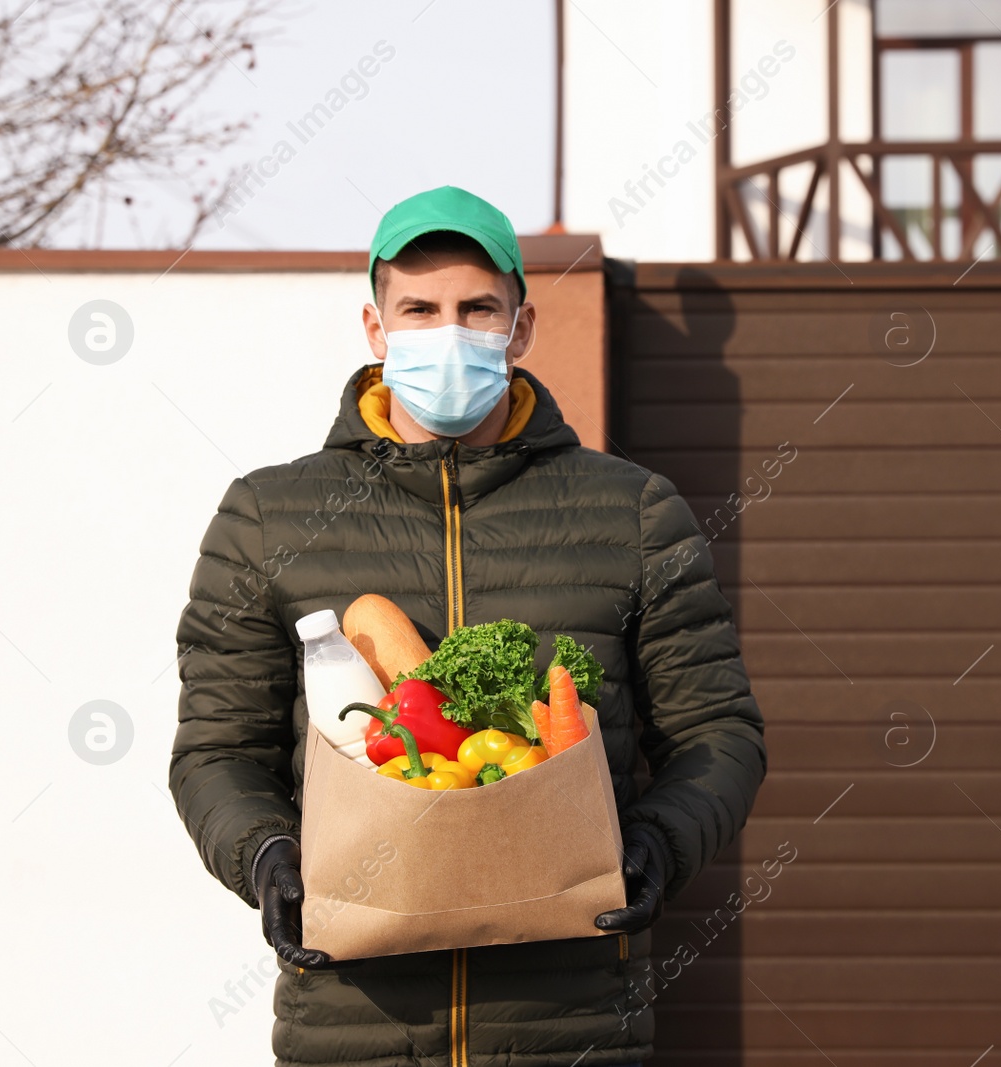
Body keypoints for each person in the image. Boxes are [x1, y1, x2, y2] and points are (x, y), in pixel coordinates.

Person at [168, 185, 767, 1066]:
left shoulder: (633, 511)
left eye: (477, 307)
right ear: (376, 330)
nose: (448, 331)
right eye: (419, 308)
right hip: (356, 1022)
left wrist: (657, 842)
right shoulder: (271, 515)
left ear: (520, 328)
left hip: (572, 1022)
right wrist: (265, 855)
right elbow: (215, 748)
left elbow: (720, 733)